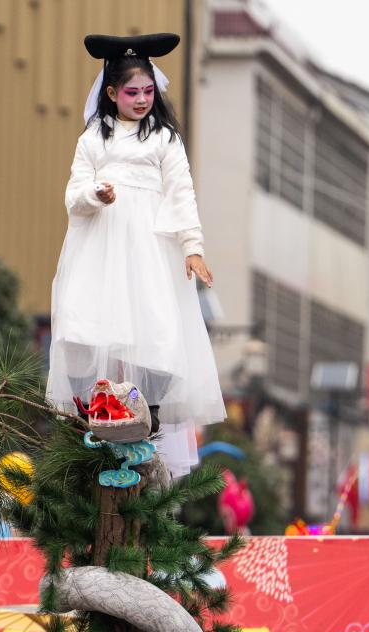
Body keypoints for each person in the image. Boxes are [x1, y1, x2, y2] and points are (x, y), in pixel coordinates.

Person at [46, 32, 225, 477]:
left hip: (150, 244)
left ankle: (151, 411)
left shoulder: (164, 138)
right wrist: (95, 194)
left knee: (155, 325)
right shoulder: (94, 138)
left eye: (148, 91)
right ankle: (93, 409)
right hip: (101, 244)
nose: (142, 99)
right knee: (92, 322)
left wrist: (193, 248)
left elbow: (182, 193)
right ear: (111, 93)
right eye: (132, 92)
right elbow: (73, 194)